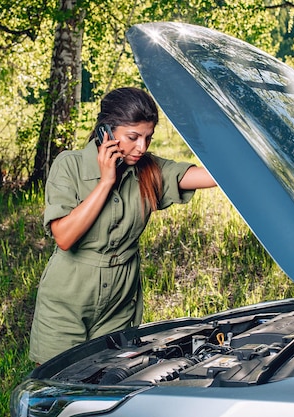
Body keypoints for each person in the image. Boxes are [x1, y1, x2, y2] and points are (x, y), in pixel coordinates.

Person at [29, 87, 216, 364]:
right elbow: (64, 237)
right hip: (67, 299)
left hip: (119, 301)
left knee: (111, 383)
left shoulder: (148, 169)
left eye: (148, 138)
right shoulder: (69, 166)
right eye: (133, 137)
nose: (142, 147)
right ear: (106, 131)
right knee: (58, 389)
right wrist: (106, 181)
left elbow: (210, 177)